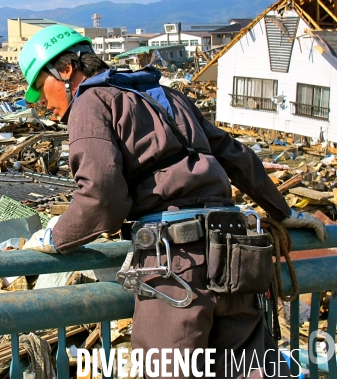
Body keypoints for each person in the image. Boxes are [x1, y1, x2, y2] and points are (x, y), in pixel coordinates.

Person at [18, 24, 327, 378]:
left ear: (67, 69)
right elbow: (233, 153)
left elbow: (104, 197)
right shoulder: (162, 93)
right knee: (251, 370)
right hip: (235, 254)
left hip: (177, 263)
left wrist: (56, 237)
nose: (44, 104)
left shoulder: (90, 101)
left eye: (42, 89)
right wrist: (282, 211)